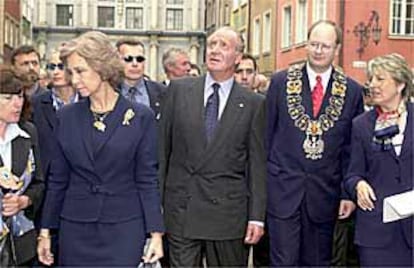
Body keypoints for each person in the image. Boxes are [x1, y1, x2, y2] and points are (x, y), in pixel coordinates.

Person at [37, 31, 164, 266]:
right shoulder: (66, 116)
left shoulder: (140, 116)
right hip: (76, 227)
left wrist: (155, 233)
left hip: (124, 227)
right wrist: (46, 231)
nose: (74, 80)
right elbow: (58, 179)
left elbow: (147, 178)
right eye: (71, 72)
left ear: (102, 67)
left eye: (81, 71)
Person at [159, 26, 266, 267]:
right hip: (182, 210)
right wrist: (157, 207)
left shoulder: (253, 104)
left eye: (224, 46)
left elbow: (256, 165)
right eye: (212, 44)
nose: (215, 50)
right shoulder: (178, 91)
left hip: (227, 216)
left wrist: (257, 217)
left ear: (238, 57)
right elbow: (162, 152)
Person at [266, 20, 364, 266]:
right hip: (283, 192)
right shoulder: (280, 83)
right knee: (283, 263)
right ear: (307, 45)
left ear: (337, 49)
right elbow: (266, 138)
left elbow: (352, 150)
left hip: (325, 196)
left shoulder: (351, 91)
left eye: (326, 46)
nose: (319, 51)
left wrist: (347, 193)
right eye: (314, 44)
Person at [344, 53, 413, 267]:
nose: (373, 85)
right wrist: (358, 184)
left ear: (400, 83)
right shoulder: (361, 125)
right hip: (376, 231)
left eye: (380, 79)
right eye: (371, 79)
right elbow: (352, 173)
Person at [31, 49, 80, 265]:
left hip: (80, 191)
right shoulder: (35, 104)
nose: (56, 72)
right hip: (48, 194)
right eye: (51, 67)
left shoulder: (89, 102)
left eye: (61, 66)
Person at [0, 65, 44, 266]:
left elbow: (39, 183)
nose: (17, 104)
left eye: (19, 96)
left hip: (19, 247)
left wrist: (23, 202)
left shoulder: (28, 133)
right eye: (8, 98)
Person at [116, 37, 166, 120]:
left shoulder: (163, 92)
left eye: (140, 59)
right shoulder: (108, 91)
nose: (135, 64)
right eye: (128, 59)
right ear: (117, 61)